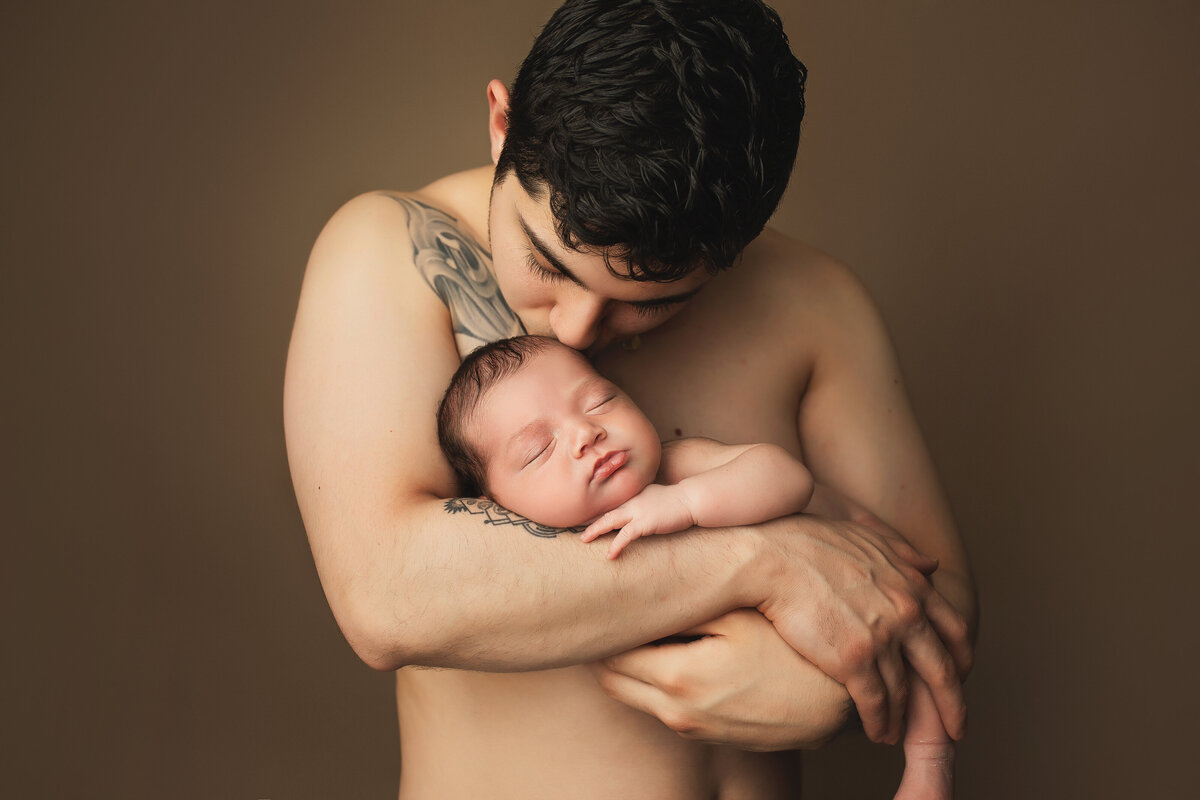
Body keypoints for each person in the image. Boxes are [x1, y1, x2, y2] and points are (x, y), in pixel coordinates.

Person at [283, 1, 977, 797]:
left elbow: (939, 597)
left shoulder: (816, 302)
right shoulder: (388, 254)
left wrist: (831, 694)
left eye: (650, 299)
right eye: (547, 262)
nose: (577, 334)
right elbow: (387, 594)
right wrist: (765, 563)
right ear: (502, 123)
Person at [437, 333, 957, 799]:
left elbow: (785, 477)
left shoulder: (678, 465)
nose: (584, 434)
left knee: (918, 645)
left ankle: (930, 764)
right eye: (538, 449)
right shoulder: (525, 551)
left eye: (600, 401)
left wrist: (685, 502)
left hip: (880, 566)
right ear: (494, 504)